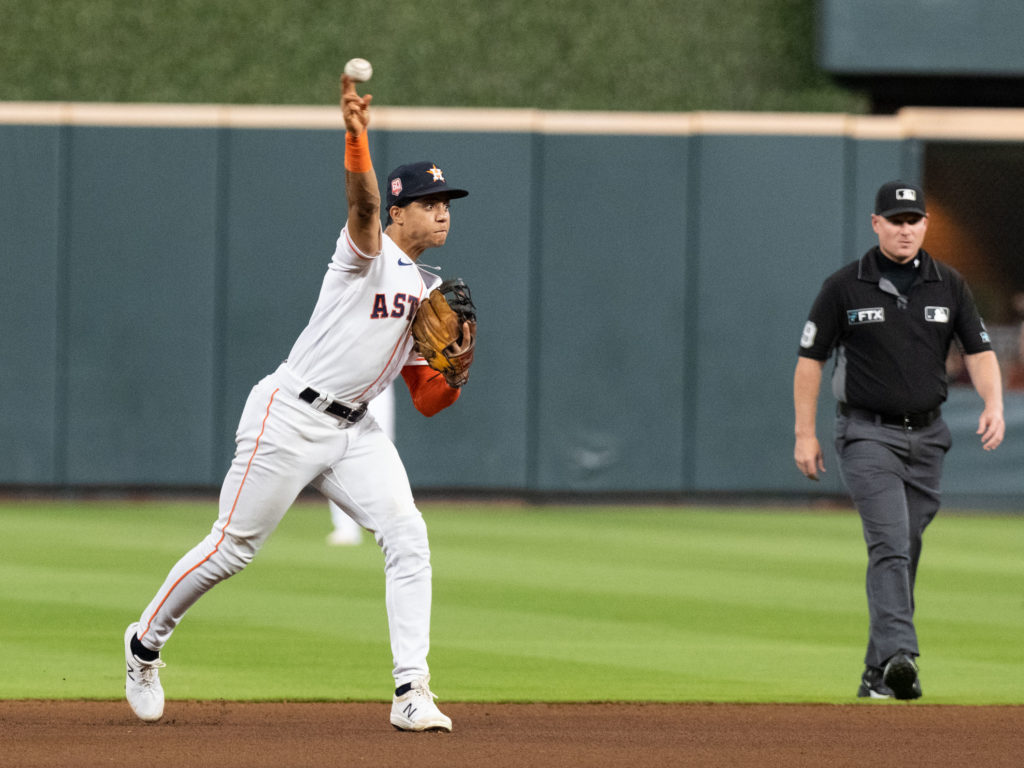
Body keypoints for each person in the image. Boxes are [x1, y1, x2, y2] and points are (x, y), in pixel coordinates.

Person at [123, 73, 474, 732]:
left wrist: (453, 372)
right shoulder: (365, 255)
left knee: (407, 537)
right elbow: (363, 202)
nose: (442, 209)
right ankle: (144, 644)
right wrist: (356, 135)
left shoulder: (430, 291)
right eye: (428, 201)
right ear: (399, 213)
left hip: (356, 432)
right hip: (288, 416)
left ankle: (411, 692)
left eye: (446, 200)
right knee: (231, 551)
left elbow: (425, 401)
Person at [793, 179, 1004, 700]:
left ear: (925, 225)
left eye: (913, 220)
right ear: (876, 224)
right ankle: (900, 657)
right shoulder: (844, 286)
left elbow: (978, 350)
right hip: (867, 433)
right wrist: (804, 433)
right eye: (895, 220)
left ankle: (875, 676)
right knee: (889, 542)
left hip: (929, 436)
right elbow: (810, 360)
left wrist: (994, 403)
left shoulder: (948, 284)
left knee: (904, 549)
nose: (905, 229)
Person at [327, 382, 395, 546]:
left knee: (381, 455)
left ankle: (390, 525)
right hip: (339, 386)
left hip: (378, 386)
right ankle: (345, 527)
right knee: (337, 455)